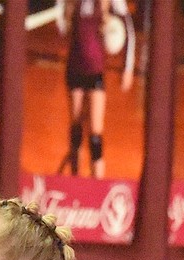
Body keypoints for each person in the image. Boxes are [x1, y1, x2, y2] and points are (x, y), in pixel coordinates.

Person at [57, 0, 136, 178]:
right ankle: (75, 178)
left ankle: (97, 183)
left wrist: (128, 67)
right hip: (74, 69)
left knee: (95, 135)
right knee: (76, 129)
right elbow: (63, 27)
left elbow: (128, 27)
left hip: (95, 71)